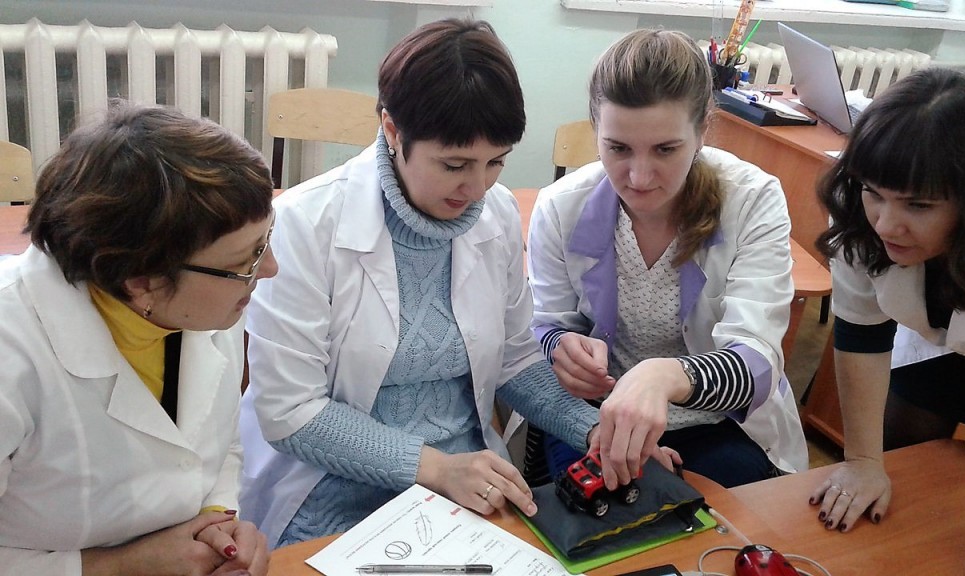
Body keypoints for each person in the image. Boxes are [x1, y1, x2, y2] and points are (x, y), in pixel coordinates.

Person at [238, 18, 670, 548]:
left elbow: (514, 361)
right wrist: (436, 469)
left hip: (471, 480)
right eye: (454, 164)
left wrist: (595, 431)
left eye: (495, 162)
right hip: (332, 488)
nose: (477, 187)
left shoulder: (497, 213)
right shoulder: (305, 225)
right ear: (392, 130)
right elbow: (292, 413)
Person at [527, 28, 808, 491]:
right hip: (598, 415)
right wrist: (561, 347)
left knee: (717, 512)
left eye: (665, 149)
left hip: (716, 420)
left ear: (701, 132)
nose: (639, 177)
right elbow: (546, 323)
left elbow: (757, 359)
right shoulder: (560, 207)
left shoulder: (753, 200)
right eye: (618, 148)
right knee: (590, 508)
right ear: (596, 131)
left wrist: (667, 377)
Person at [0, 102, 275, 575]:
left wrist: (217, 523)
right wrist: (119, 565)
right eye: (244, 261)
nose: (269, 269)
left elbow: (217, 447)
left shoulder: (207, 306)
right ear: (141, 281)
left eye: (265, 242)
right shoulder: (13, 353)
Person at [807, 67, 965, 576]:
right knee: (908, 463)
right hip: (945, 337)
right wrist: (863, 462)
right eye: (875, 193)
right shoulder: (862, 201)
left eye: (918, 205)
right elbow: (861, 330)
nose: (885, 223)